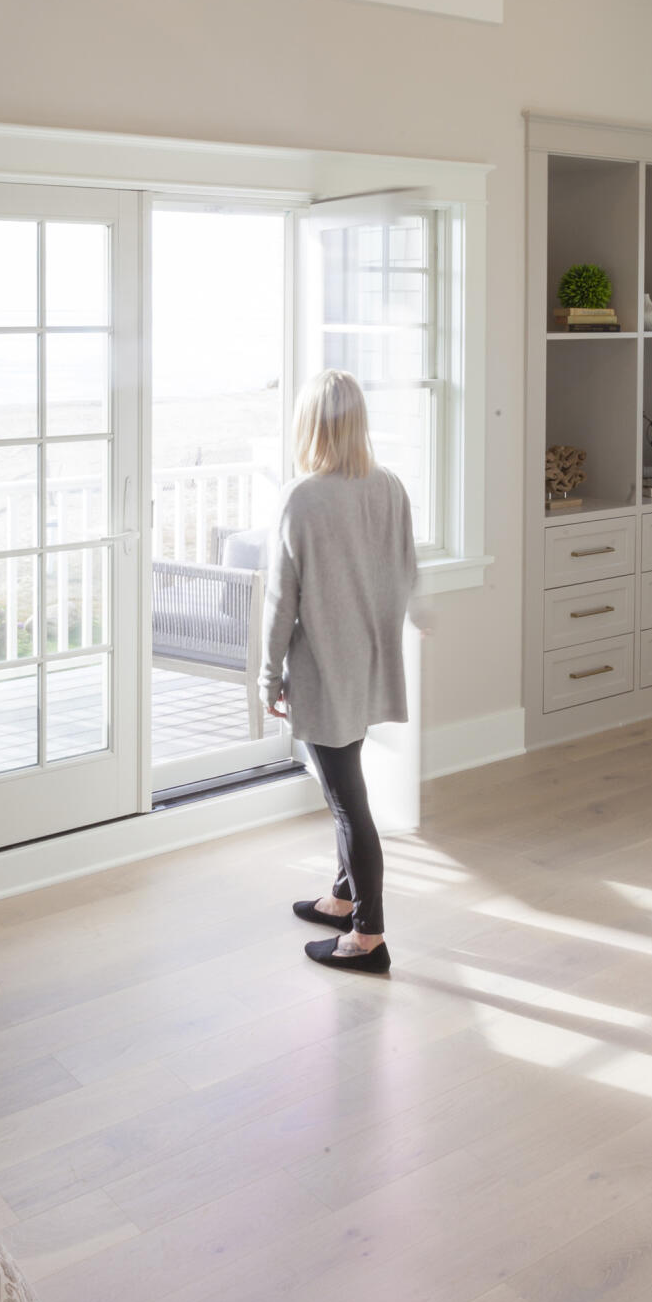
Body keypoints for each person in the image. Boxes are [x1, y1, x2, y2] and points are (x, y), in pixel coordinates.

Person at [260, 370, 418, 976]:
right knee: (347, 786)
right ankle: (343, 896)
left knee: (348, 802)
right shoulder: (390, 487)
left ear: (310, 425)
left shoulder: (301, 496)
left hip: (325, 669)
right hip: (370, 663)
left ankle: (368, 935)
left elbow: (281, 601)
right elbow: (402, 575)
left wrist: (266, 676)